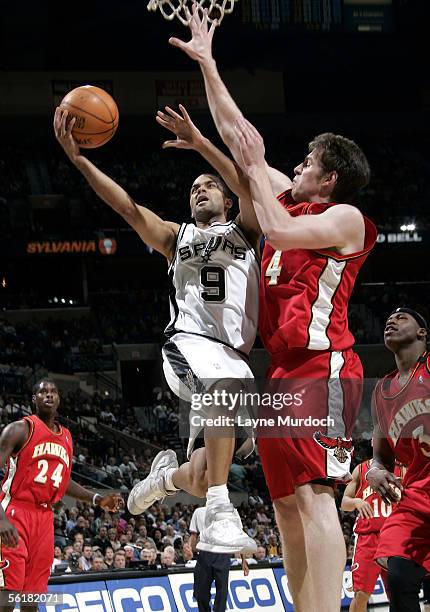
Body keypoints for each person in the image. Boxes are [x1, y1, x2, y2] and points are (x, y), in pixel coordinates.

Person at [168, 8, 377, 611]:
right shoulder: (297, 202)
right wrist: (208, 64)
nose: (299, 166)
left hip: (326, 368)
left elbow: (277, 225)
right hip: (282, 372)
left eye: (309, 163)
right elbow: (244, 141)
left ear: (328, 177)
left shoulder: (345, 220)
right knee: (285, 505)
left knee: (315, 496)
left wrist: (251, 167)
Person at [54, 101, 261, 554]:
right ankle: (223, 514)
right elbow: (128, 208)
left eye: (209, 186)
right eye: (193, 188)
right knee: (220, 398)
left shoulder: (246, 231)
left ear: (226, 200)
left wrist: (201, 144)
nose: (200, 190)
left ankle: (163, 480)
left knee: (206, 474)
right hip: (189, 345)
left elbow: (248, 183)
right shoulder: (176, 236)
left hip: (234, 357)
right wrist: (80, 159)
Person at [0, 379, 122, 608]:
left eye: (53, 391)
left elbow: (63, 481)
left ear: (59, 399)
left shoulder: (66, 436)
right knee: (8, 593)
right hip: (15, 512)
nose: (48, 395)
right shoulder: (19, 429)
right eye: (42, 391)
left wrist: (98, 499)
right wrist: (1, 518)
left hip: (44, 518)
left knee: (32, 597)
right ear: (33, 399)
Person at [366, 307, 430, 612]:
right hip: (416, 497)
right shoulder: (381, 390)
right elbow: (381, 456)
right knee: (399, 575)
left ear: (422, 334)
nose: (392, 320)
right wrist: (374, 473)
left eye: (403, 318)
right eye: (389, 318)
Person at [341, 459, 405, 611]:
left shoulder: (403, 469)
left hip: (395, 538)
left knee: (399, 595)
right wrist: (356, 502)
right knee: (361, 594)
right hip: (368, 537)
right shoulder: (361, 469)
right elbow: (344, 502)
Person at [189, 505, 249, 612]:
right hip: (204, 553)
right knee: (200, 593)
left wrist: (244, 560)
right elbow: (193, 534)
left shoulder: (232, 511)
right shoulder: (199, 511)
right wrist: (191, 550)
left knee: (222, 591)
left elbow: (239, 535)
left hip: (222, 552)